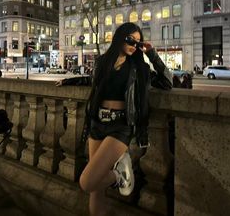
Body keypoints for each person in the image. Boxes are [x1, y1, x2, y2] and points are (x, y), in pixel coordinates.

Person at [57, 22, 172, 216]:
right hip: (97, 124)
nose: (134, 45)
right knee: (96, 191)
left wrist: (152, 54)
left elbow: (167, 82)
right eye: (130, 40)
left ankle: (119, 175)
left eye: (138, 42)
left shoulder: (139, 67)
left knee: (87, 182)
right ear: (120, 38)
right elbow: (92, 81)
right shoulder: (103, 61)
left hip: (120, 127)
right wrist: (69, 81)